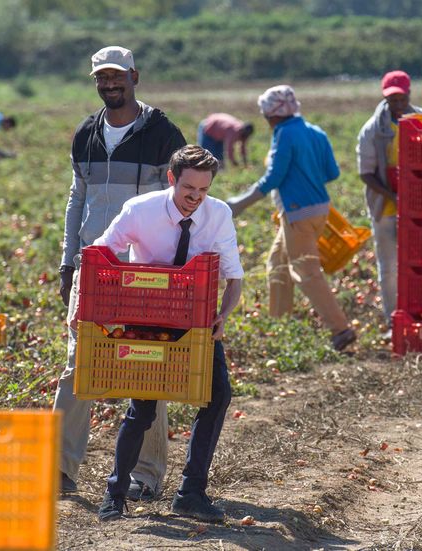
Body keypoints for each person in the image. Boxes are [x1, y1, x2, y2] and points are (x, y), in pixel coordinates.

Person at [54, 46, 187, 500]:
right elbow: (77, 199)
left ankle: (146, 475)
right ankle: (61, 469)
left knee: (147, 365)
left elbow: (186, 199)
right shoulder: (86, 134)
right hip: (95, 264)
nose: (109, 84)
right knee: (78, 363)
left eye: (116, 77)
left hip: (146, 267)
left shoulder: (163, 134)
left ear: (134, 76)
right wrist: (68, 260)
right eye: (101, 78)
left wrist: (178, 261)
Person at [96, 145, 242, 522]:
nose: (195, 198)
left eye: (203, 191)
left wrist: (223, 316)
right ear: (172, 179)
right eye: (188, 189)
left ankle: (191, 492)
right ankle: (115, 494)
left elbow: (234, 278)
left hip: (196, 322)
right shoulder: (140, 211)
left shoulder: (219, 214)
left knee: (218, 394)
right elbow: (102, 253)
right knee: (142, 407)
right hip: (146, 319)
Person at [226, 85, 357, 352]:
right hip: (319, 210)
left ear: (272, 115)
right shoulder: (315, 132)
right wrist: (307, 174)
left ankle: (340, 329)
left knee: (306, 272)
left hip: (299, 213)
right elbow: (332, 172)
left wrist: (239, 203)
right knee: (277, 262)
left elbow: (274, 177)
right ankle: (279, 323)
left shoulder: (284, 134)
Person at [356, 70, 422, 334]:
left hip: (418, 207)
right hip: (385, 207)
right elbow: (365, 172)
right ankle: (394, 321)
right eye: (393, 99)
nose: (398, 104)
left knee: (420, 263)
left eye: (402, 98)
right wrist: (395, 197)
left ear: (409, 95)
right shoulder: (372, 130)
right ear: (385, 98)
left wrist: (416, 195)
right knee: (389, 267)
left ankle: (420, 315)